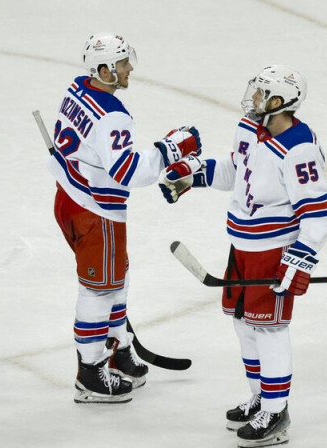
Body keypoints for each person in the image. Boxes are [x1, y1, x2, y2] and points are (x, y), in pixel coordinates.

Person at [159, 65, 327, 447]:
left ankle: (276, 410)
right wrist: (193, 175)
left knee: (269, 329)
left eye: (259, 94)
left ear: (278, 102)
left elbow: (318, 212)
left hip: (274, 251)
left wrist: (299, 259)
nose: (251, 99)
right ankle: (259, 397)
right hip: (241, 245)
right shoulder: (248, 128)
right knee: (243, 323)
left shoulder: (299, 146)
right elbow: (234, 171)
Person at [46, 32, 202, 404]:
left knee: (117, 279)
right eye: (122, 63)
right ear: (104, 69)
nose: (130, 67)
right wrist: (169, 150)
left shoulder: (78, 88)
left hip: (69, 199)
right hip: (95, 212)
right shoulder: (112, 115)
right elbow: (128, 172)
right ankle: (90, 371)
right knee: (99, 291)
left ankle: (115, 348)